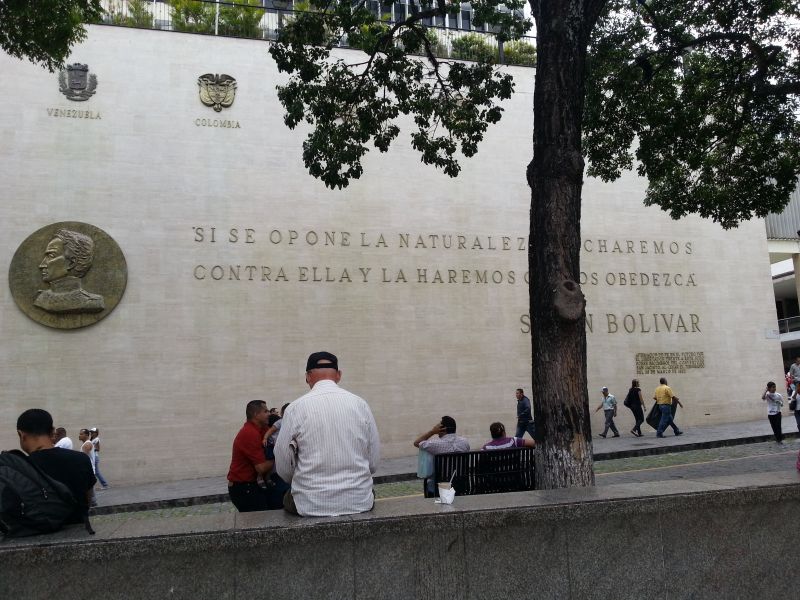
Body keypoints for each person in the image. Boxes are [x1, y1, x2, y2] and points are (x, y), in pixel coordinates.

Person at [275, 352, 380, 517]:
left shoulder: (295, 408)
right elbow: (373, 462)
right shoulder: (360, 405)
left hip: (310, 502)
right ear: (338, 375)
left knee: (286, 498)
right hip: (359, 499)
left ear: (307, 377)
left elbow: (283, 465)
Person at [15, 409, 96, 525]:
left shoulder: (18, 469)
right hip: (79, 528)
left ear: (21, 435)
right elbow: (88, 498)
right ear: (53, 431)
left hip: (37, 534)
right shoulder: (81, 459)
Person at [34, 228, 105, 314]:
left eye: (51, 256)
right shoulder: (41, 298)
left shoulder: (93, 302)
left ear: (71, 263)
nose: (42, 265)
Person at [227, 400, 279, 512]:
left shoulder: (262, 429)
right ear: (256, 414)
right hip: (244, 488)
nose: (269, 414)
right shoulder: (249, 433)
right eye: (265, 411)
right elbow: (261, 468)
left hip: (251, 485)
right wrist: (279, 455)